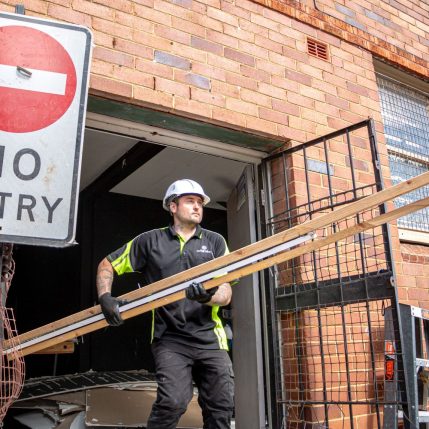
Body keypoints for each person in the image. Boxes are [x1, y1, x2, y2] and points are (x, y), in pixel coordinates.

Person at [96, 179, 234, 429]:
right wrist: (105, 297)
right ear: (172, 206)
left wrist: (207, 297)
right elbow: (107, 265)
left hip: (210, 338)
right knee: (173, 401)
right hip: (170, 338)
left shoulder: (215, 241)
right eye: (190, 201)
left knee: (221, 406)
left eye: (200, 202)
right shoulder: (149, 241)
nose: (197, 207)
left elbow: (225, 291)